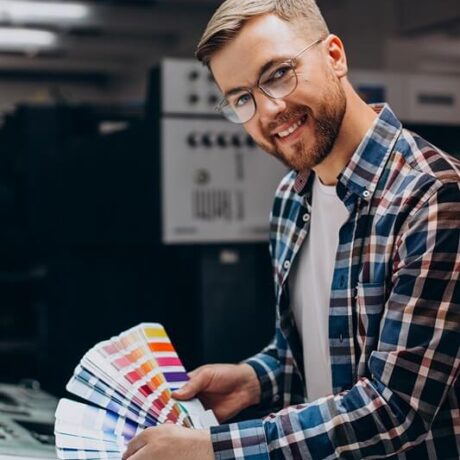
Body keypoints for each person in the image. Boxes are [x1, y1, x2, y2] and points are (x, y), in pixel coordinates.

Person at [123, 0, 460, 458]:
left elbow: (394, 408)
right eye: (242, 98)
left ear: (335, 56)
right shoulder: (290, 198)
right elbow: (311, 357)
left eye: (278, 73)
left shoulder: (432, 197)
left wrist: (213, 449)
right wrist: (256, 380)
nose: (268, 111)